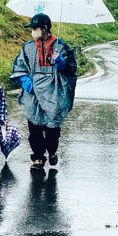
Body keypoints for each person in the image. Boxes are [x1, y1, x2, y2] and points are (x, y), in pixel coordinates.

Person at [10, 13, 77, 170]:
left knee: (52, 128)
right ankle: (38, 158)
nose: (32, 31)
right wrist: (26, 81)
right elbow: (20, 66)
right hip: (33, 94)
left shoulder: (62, 47)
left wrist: (61, 62)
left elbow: (71, 70)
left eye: (35, 28)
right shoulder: (28, 48)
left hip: (54, 93)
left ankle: (52, 152)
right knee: (34, 127)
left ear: (45, 28)